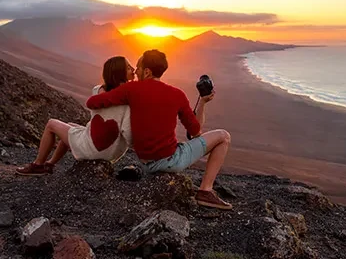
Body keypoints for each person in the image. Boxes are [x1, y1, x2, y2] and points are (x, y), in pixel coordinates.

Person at [86, 49, 233, 210]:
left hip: (145, 162)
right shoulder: (177, 94)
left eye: (138, 67)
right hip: (170, 161)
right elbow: (196, 132)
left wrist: (105, 91)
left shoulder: (130, 90)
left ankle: (205, 191)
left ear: (147, 72)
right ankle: (205, 190)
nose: (135, 71)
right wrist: (203, 103)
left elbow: (92, 103)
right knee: (223, 136)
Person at [16, 56, 135, 176]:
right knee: (70, 127)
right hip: (111, 152)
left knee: (51, 124)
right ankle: (50, 164)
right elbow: (128, 132)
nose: (133, 69)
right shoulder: (128, 101)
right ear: (120, 72)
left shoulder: (98, 91)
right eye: (129, 67)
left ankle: (38, 165)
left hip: (93, 149)